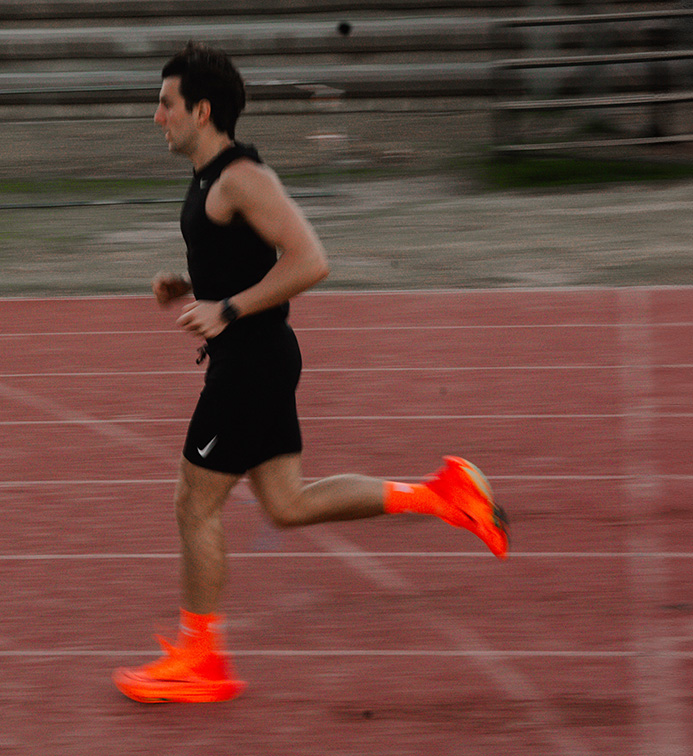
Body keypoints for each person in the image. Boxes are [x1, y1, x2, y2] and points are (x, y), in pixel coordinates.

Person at [113, 41, 509, 704]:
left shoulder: (241, 177)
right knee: (287, 504)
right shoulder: (211, 178)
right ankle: (440, 495)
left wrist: (227, 309)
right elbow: (244, 255)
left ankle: (201, 659)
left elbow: (309, 260)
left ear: (201, 110)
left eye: (165, 104)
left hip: (250, 366)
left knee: (193, 504)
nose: (156, 116)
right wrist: (189, 285)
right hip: (256, 359)